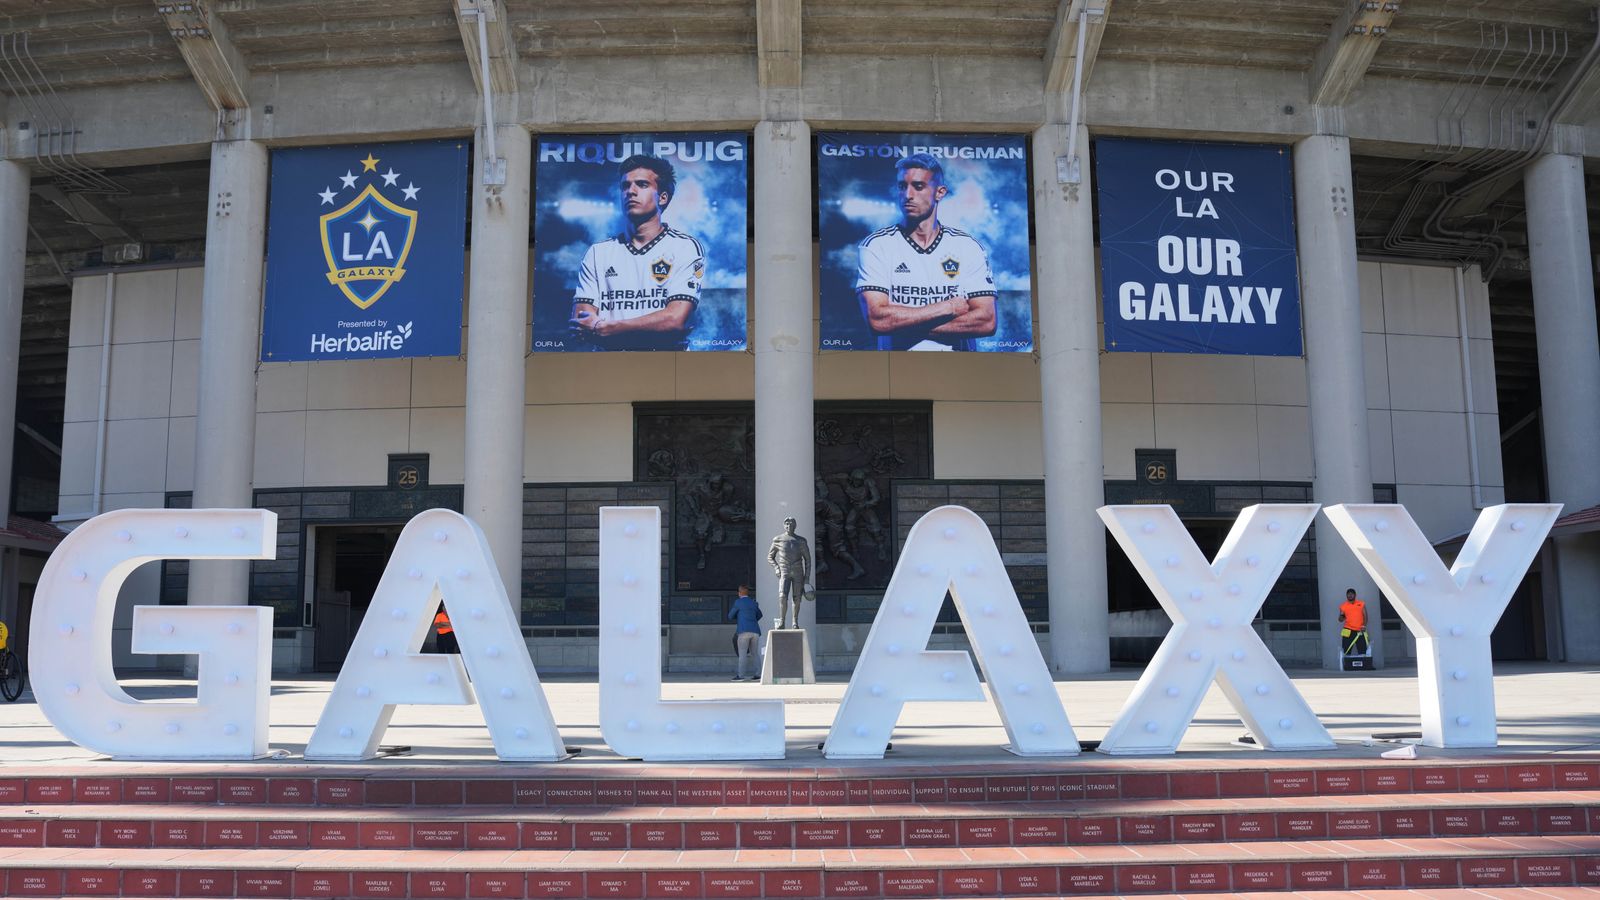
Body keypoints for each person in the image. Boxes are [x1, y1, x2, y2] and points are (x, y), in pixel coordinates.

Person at [854, 152, 997, 351]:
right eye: (902, 186)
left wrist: (903, 322)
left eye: (918, 186)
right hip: (896, 371)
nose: (907, 195)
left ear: (940, 192)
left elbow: (986, 321)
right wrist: (947, 308)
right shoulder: (877, 245)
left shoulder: (967, 247)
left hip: (958, 371)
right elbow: (878, 320)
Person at [570, 154, 703, 351]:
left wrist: (609, 328)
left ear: (663, 197)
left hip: (667, 364)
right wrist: (648, 327)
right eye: (625, 186)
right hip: (610, 365)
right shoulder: (598, 252)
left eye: (642, 184)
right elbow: (581, 324)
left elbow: (674, 320)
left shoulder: (684, 247)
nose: (630, 192)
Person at [767, 516, 812, 630]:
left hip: (798, 572)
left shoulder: (801, 541)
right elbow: (770, 557)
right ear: (784, 525)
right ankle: (782, 621)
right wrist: (776, 568)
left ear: (795, 526)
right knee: (782, 596)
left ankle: (795, 622)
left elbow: (808, 560)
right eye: (787, 524)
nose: (789, 526)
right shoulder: (778, 539)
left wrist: (807, 579)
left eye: (791, 524)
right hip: (784, 571)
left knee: (797, 598)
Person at [727, 584, 762, 681]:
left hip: (743, 631)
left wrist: (738, 617)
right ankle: (758, 674)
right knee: (755, 653)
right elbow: (759, 615)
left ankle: (741, 675)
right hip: (755, 631)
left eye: (739, 592)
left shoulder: (738, 602)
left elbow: (730, 616)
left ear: (740, 593)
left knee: (742, 654)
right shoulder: (754, 603)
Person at [1338, 588, 1369, 657]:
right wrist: (1342, 615)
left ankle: (1364, 666)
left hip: (1360, 630)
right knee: (1346, 650)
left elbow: (1365, 616)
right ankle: (1346, 666)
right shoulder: (1343, 606)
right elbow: (1340, 620)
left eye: (1351, 594)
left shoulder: (1361, 603)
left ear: (1355, 595)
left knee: (1362, 650)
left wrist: (1364, 626)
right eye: (1348, 594)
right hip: (1347, 630)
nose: (1350, 595)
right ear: (1346, 595)